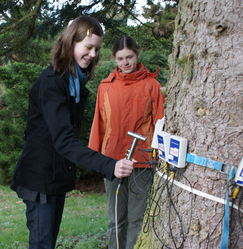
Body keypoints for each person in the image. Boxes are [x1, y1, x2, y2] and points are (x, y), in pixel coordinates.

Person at [10, 16, 134, 249]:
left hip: (56, 177)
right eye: (88, 47)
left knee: (48, 243)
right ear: (70, 43)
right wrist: (109, 165)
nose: (94, 54)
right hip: (40, 179)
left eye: (97, 49)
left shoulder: (73, 82)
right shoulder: (52, 82)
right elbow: (65, 141)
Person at [88, 36, 165, 249]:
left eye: (129, 57)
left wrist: (161, 156)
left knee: (138, 220)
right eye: (120, 58)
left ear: (137, 55)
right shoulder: (105, 87)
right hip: (112, 162)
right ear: (114, 59)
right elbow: (99, 123)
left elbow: (161, 124)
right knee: (116, 220)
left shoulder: (152, 85)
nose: (126, 63)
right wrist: (95, 159)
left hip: (143, 162)